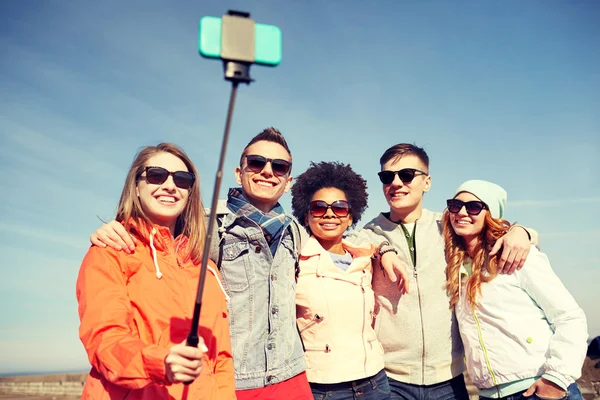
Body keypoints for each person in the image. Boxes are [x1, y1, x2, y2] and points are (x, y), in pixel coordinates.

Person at [88, 129, 407, 399]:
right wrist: (118, 227)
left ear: (287, 180)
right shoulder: (207, 224)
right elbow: (159, 238)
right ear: (239, 173)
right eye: (257, 163)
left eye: (279, 166)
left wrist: (384, 247)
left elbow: (347, 241)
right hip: (237, 380)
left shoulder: (294, 231)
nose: (268, 170)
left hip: (293, 376)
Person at [350, 144, 536, 400]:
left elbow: (495, 231)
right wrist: (384, 250)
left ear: (427, 182)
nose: (396, 183)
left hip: (448, 381)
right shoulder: (368, 234)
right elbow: (351, 244)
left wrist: (522, 231)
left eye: (406, 175)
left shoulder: (450, 226)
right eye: (387, 176)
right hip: (390, 380)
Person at [76, 143, 235, 399]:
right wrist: (161, 362)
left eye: (182, 180)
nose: (170, 186)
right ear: (136, 187)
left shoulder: (206, 267)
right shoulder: (110, 251)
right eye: (156, 175)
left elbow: (221, 360)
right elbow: (105, 340)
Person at [443, 179, 588, 400]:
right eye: (455, 205)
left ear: (490, 214)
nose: (462, 212)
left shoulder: (517, 257)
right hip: (489, 395)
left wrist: (556, 378)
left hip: (537, 390)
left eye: (473, 207)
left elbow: (569, 317)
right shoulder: (456, 267)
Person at [292, 161, 405, 400]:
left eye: (340, 208)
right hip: (324, 387)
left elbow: (376, 238)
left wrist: (385, 250)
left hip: (375, 382)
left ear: (351, 214)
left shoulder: (365, 257)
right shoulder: (293, 260)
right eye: (319, 207)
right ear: (306, 213)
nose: (330, 213)